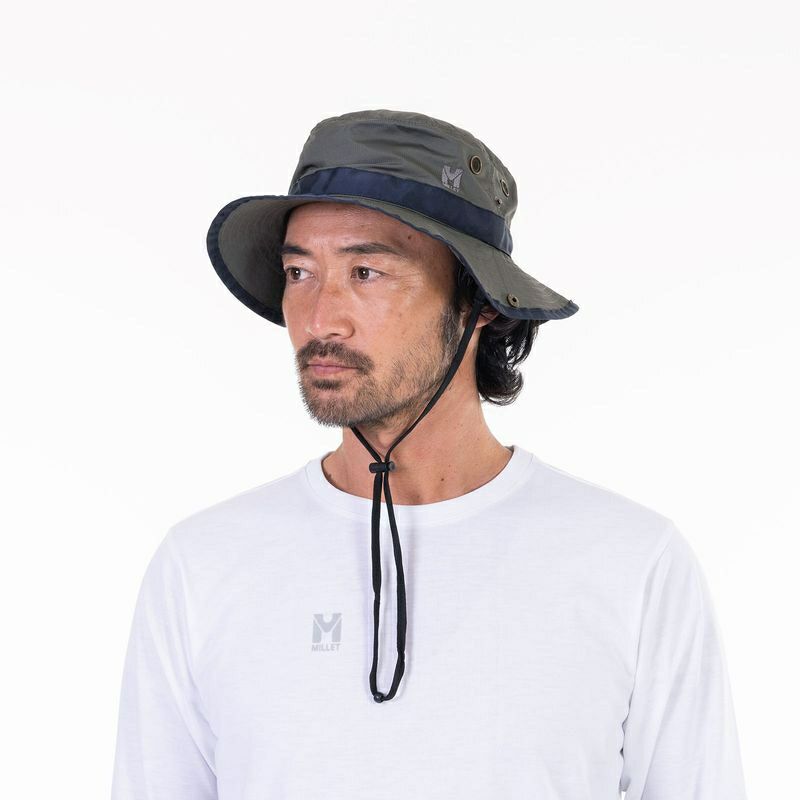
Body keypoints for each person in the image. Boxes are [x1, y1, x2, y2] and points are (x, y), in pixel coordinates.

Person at [110, 109, 748, 799]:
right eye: (298, 272)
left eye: (366, 272)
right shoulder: (202, 566)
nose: (320, 319)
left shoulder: (631, 562)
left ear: (481, 302)